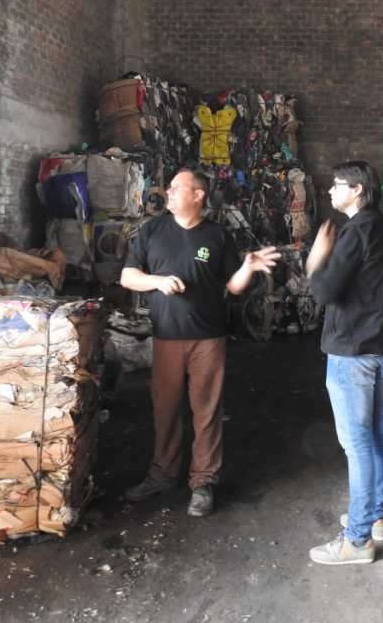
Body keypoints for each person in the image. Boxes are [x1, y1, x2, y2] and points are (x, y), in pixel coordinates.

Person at [120, 168, 280, 517]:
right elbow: (128, 276)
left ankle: (203, 482)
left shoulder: (217, 235)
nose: (169, 192)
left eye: (177, 187)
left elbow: (233, 286)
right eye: (170, 187)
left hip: (207, 339)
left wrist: (248, 267)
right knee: (165, 411)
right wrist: (157, 281)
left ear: (198, 195)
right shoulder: (152, 231)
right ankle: (162, 476)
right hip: (166, 338)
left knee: (206, 412)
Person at [305, 161, 383, 565]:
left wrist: (316, 260)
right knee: (377, 432)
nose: (331, 191)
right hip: (381, 348)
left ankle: (358, 539)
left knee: (358, 442)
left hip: (351, 352)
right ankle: (375, 517)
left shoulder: (356, 230)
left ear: (357, 190)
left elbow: (324, 290)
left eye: (337, 185)